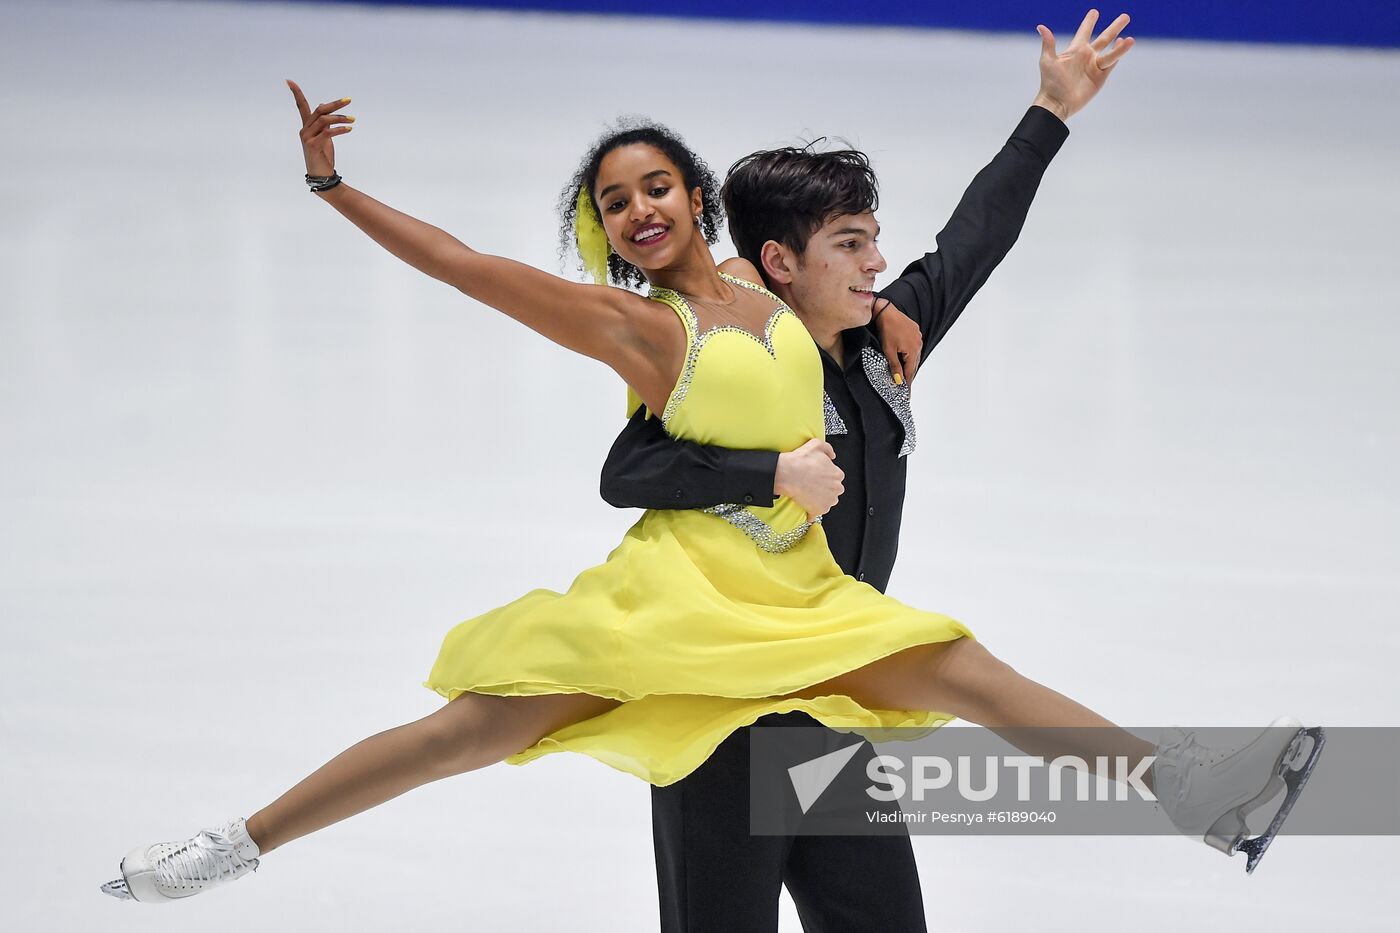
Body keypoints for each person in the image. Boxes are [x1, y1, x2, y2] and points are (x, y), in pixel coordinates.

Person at [101, 10, 1320, 907]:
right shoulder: (660, 323)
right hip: (686, 608)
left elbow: (970, 238)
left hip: (805, 618)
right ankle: (236, 843)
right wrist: (330, 185)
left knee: (966, 671)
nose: (641, 206)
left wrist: (1046, 114)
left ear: (695, 194)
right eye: (616, 196)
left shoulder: (830, 311)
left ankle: (1192, 792)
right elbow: (498, 303)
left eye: (660, 183)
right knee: (466, 732)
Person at [601, 40, 1083, 933]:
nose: (874, 265)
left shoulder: (882, 341)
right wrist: (769, 469)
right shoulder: (733, 367)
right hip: (726, 719)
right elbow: (626, 470)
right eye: (849, 245)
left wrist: (1050, 112)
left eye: (872, 242)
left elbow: (977, 237)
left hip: (836, 708)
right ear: (782, 262)